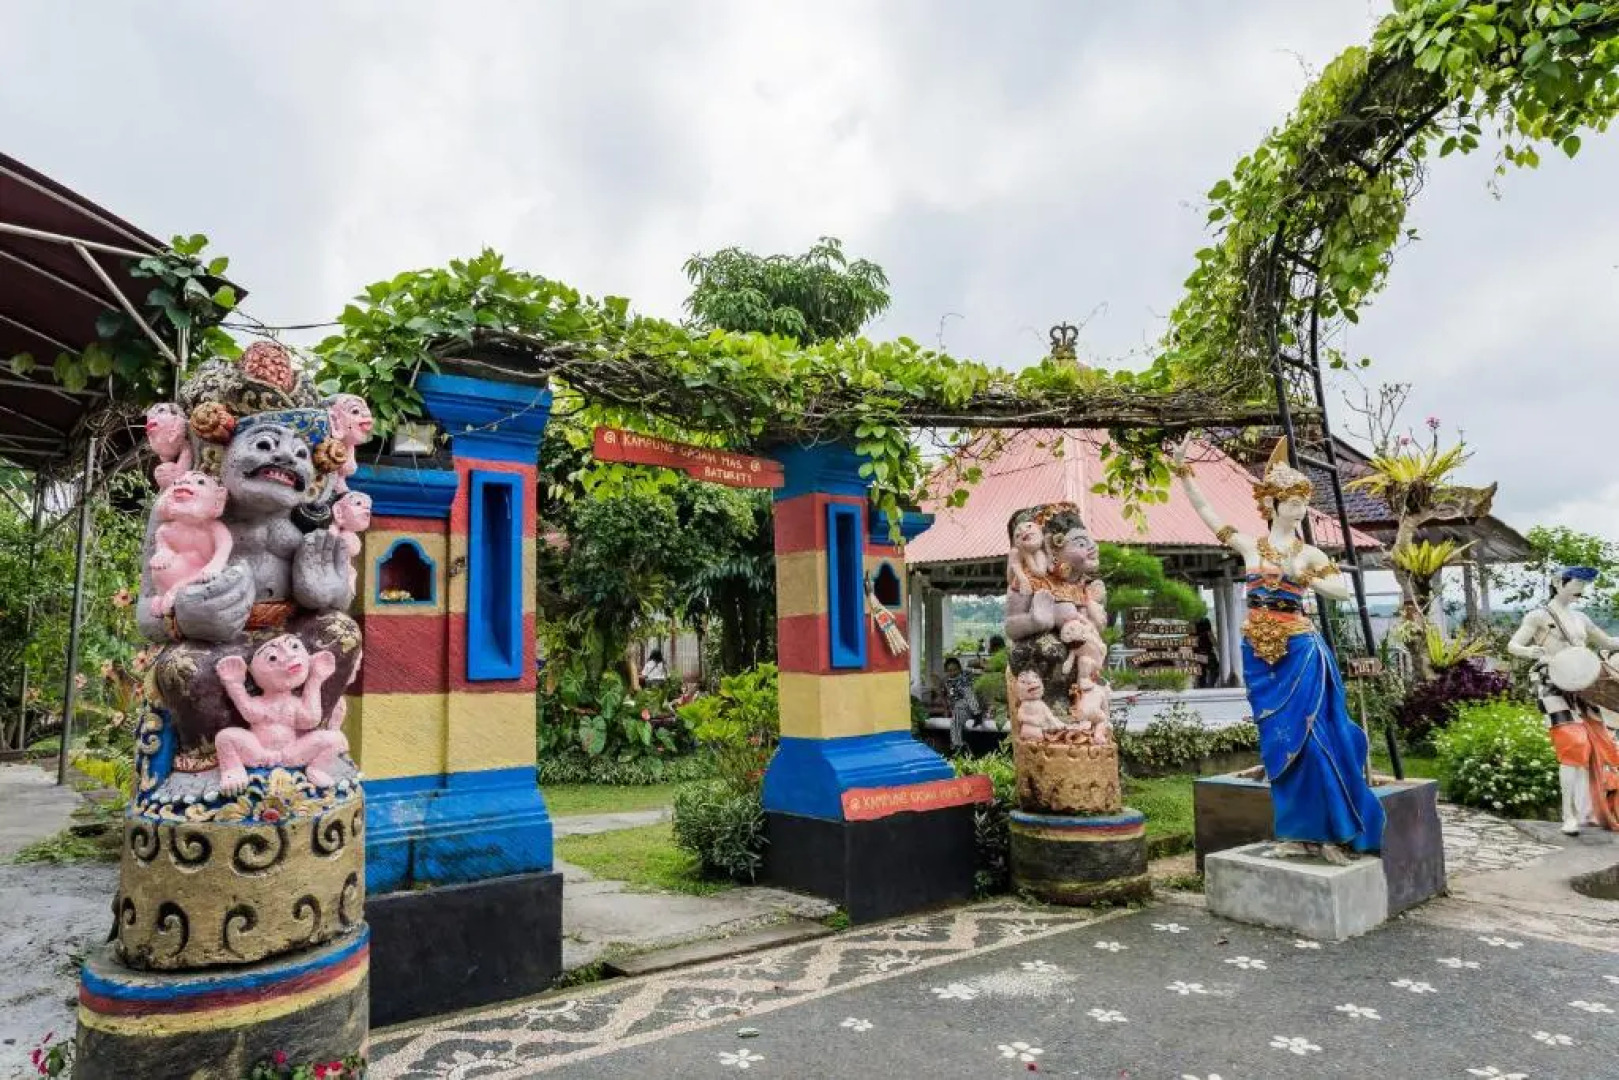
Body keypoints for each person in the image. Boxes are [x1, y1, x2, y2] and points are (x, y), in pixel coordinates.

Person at [1173, 436, 1384, 864]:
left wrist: (1304, 577)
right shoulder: (1249, 546)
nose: (1301, 509)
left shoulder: (1310, 554)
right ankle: (1295, 833)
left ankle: (1331, 831)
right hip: (1259, 653)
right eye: (1293, 502)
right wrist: (1183, 471)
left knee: (1314, 738)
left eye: (1304, 502)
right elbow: (1208, 514)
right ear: (1272, 504)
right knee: (1277, 741)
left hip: (1300, 651)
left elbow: (1342, 591)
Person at [1506, 566, 1619, 834]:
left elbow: (1607, 642)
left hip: (1583, 686)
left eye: (1583, 585)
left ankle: (1588, 810)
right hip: (1551, 683)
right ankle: (1569, 815)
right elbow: (1513, 645)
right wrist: (1531, 652)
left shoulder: (1581, 618)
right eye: (1577, 583)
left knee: (1600, 745)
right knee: (1573, 743)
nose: (1581, 589)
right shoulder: (1539, 616)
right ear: (1559, 583)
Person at [941, 656, 985, 753]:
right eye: (950, 670)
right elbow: (944, 697)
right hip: (959, 710)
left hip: (970, 706)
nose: (953, 672)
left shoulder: (965, 677)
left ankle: (977, 713)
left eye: (955, 669)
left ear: (960, 668)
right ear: (946, 671)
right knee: (955, 719)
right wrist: (946, 711)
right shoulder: (946, 682)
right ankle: (958, 746)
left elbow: (970, 694)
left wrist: (976, 711)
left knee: (965, 692)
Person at [1194, 617, 1218, 688]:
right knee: (1215, 668)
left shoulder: (1196, 635)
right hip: (1207, 654)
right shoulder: (1208, 633)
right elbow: (1214, 643)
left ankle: (1202, 685)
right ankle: (1210, 685)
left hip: (1198, 654)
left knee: (1202, 672)